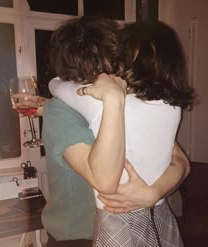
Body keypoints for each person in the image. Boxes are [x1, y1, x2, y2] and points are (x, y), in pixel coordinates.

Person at [48, 17, 195, 246]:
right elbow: (105, 180)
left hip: (146, 222)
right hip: (78, 236)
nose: (118, 65)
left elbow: (181, 161)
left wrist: (153, 193)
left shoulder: (128, 101)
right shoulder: (60, 109)